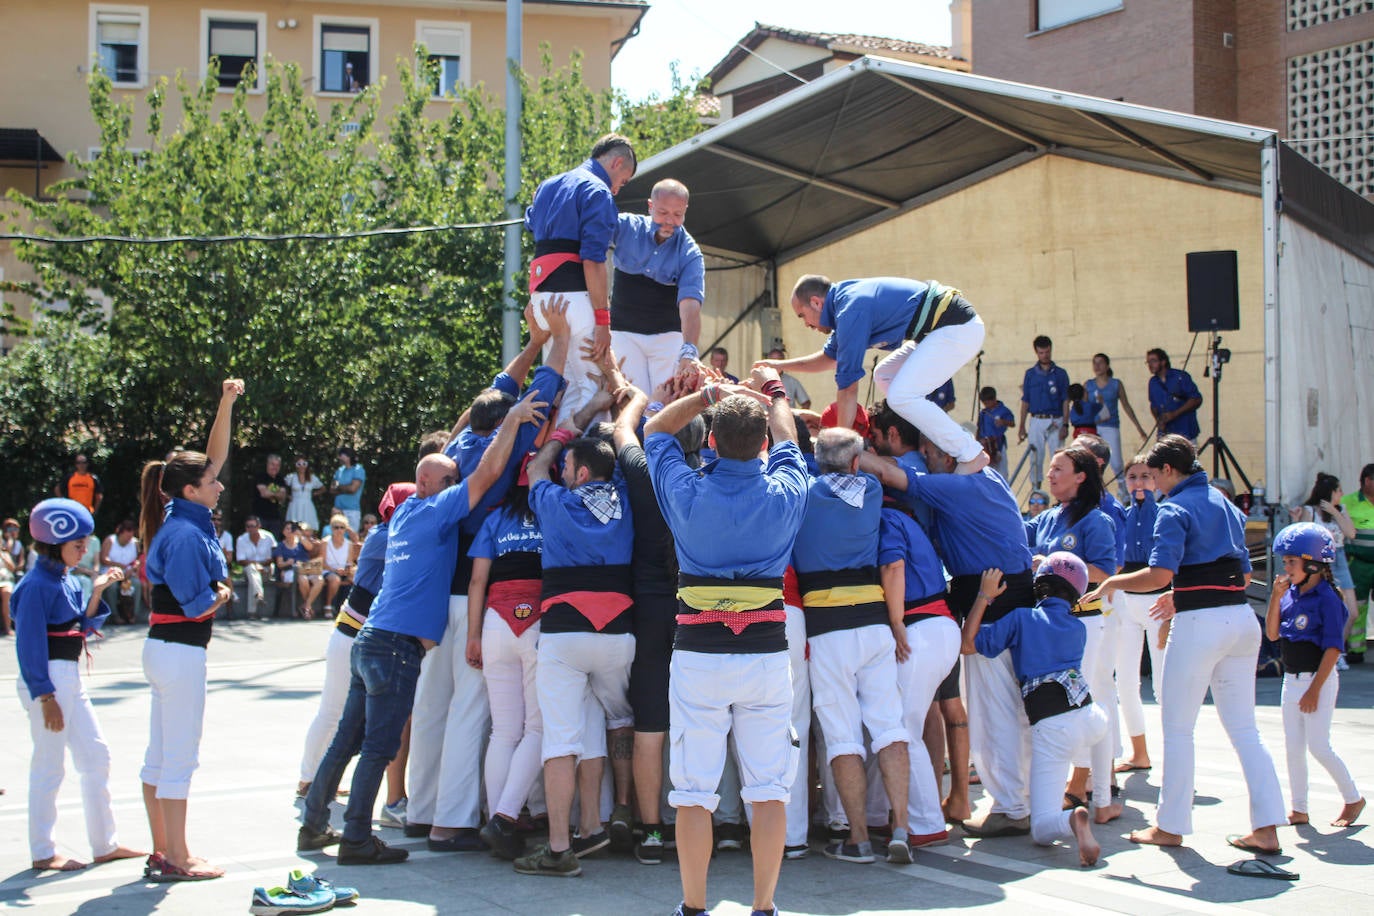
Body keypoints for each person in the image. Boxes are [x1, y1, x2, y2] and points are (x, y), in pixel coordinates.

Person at [296, 392, 546, 866]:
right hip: (395, 650)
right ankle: (356, 838)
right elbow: (486, 473)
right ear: (431, 484)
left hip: (371, 640)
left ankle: (313, 825)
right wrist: (512, 420)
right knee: (378, 747)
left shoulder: (405, 514)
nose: (459, 481)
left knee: (349, 738)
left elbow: (452, 452)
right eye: (451, 479)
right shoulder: (435, 512)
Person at [645, 366, 806, 916]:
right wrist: (773, 392)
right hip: (764, 653)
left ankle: (694, 908)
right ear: (761, 444)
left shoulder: (687, 491)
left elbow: (655, 433)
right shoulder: (787, 488)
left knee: (693, 793)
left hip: (699, 655)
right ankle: (764, 908)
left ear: (711, 441)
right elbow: (788, 437)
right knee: (768, 791)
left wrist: (710, 393)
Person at [409, 302, 569, 854]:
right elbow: (540, 391)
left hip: (437, 597)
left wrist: (533, 340)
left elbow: (502, 386)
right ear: (508, 419)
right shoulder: (505, 449)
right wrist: (559, 339)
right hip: (473, 598)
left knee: (434, 705)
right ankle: (451, 822)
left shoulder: (452, 449)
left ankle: (420, 807)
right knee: (473, 715)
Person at [1086, 435, 1284, 853]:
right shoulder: (1225, 503)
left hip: (1201, 624)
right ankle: (1267, 827)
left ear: (1169, 471)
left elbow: (1158, 575)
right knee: (1246, 730)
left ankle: (1170, 826)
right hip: (1240, 619)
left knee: (1177, 728)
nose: (1151, 484)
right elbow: (1242, 577)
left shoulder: (1173, 507)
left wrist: (1112, 582)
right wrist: (1183, 593)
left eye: (1154, 475)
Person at [859, 437, 1036, 838]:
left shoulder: (960, 483)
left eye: (929, 453)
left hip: (990, 602)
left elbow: (890, 474)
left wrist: (843, 452)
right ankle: (1017, 800)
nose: (923, 461)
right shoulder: (984, 480)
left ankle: (1011, 804)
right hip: (988, 600)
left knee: (993, 712)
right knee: (1001, 708)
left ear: (949, 456)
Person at [513, 430, 636, 878]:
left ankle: (560, 848)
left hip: (565, 634)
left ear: (580, 473)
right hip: (619, 631)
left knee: (561, 740)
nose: (561, 472)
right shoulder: (625, 497)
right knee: (616, 717)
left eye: (568, 466)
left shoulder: (554, 502)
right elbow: (623, 456)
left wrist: (559, 436)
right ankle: (606, 817)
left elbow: (534, 470)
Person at [137, 378, 243, 881]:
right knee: (177, 757)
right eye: (211, 481)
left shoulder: (182, 517)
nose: (219, 483)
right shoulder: (184, 532)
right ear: (189, 489)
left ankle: (163, 851)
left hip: (167, 651)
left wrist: (225, 403)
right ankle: (177, 856)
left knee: (159, 758)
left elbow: (214, 456)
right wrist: (222, 593)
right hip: (180, 652)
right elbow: (195, 604)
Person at [794, 427, 913, 865]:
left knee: (842, 734)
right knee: (889, 725)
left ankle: (858, 838)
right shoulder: (871, 490)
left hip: (826, 628)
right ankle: (900, 827)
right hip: (874, 621)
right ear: (857, 463)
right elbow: (863, 467)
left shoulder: (804, 493)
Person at [13, 498, 143, 872]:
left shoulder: (64, 579)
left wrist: (99, 590)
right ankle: (42, 850)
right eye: (77, 545)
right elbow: (30, 644)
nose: (85, 550)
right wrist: (45, 694)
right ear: (55, 543)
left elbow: (79, 627)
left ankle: (105, 844)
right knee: (49, 765)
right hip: (51, 679)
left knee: (96, 756)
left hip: (65, 676)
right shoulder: (36, 584)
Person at [961, 555, 1109, 867]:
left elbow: (969, 644)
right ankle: (1105, 803)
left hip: (1054, 727)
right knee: (1093, 730)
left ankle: (1073, 818)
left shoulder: (1022, 619)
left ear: (1037, 585)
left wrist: (984, 596)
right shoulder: (1078, 628)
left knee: (1041, 828)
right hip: (1090, 715)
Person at [762, 276, 988, 474]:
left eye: (802, 315)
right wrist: (776, 365)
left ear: (816, 302)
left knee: (901, 395)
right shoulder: (845, 305)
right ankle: (924, 439)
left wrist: (840, 451)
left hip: (956, 328)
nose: (805, 324)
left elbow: (848, 389)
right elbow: (830, 358)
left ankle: (970, 453)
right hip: (935, 332)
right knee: (884, 375)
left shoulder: (850, 309)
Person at [297, 483, 414, 802]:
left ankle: (323, 778)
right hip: (350, 634)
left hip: (361, 635)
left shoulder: (393, 533)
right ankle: (308, 777)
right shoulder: (383, 535)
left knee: (348, 717)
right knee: (332, 711)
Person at [1024, 446, 1122, 819]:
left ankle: (1082, 785)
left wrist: (1055, 565)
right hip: (1051, 618)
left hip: (1085, 619)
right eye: (1050, 468)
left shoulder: (1095, 521)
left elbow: (1105, 570)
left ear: (1081, 475)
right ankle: (1085, 789)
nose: (1050, 475)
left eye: (1058, 468)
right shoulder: (1047, 518)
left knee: (1085, 699)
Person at [525, 133, 637, 420]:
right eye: (622, 182)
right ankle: (577, 463)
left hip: (541, 299)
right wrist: (603, 320)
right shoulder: (597, 191)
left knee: (557, 388)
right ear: (617, 162)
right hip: (574, 300)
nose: (617, 190)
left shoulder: (548, 185)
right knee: (588, 389)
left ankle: (553, 461)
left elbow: (531, 222)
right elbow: (593, 259)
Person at [466, 467, 545, 862]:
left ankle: (497, 821)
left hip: (495, 619)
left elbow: (477, 580)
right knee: (538, 727)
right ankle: (505, 817)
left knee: (503, 731)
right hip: (539, 617)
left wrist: (473, 635)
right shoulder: (551, 508)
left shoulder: (495, 517)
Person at [1264, 523, 1364, 828]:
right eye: (1285, 562)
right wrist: (1275, 598)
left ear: (1313, 564)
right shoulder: (1290, 593)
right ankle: (1299, 808)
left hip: (1316, 680)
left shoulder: (1328, 598)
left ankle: (1353, 798)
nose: (1286, 568)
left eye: (1292, 562)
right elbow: (1271, 633)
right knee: (1293, 746)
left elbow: (1333, 649)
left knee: (1319, 745)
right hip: (1291, 680)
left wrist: (1314, 691)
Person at [880, 504, 960, 848]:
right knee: (901, 727)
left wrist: (896, 622)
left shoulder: (887, 517)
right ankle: (900, 816)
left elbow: (893, 566)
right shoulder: (906, 518)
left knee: (903, 730)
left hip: (920, 628)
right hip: (937, 627)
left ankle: (927, 823)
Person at [609, 178, 706, 394]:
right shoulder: (626, 226)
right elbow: (591, 229)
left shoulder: (690, 251)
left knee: (666, 399)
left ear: (685, 211)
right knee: (629, 397)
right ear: (650, 206)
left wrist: (689, 350)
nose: (669, 221)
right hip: (624, 332)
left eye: (677, 214)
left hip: (667, 336)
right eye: (663, 213)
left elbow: (690, 305)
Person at [1113, 456, 1165, 774]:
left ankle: (1174, 752)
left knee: (1163, 683)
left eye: (1146, 476)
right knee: (1126, 682)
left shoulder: (1165, 515)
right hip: (1125, 601)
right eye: (1133, 477)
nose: (1139, 483)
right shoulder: (1122, 514)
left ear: (1157, 480)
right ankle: (1139, 751)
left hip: (1159, 600)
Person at [1290, 473, 1357, 669]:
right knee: (1327, 607)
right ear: (1331, 492)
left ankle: (1338, 650)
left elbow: (1351, 533)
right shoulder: (1310, 511)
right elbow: (1300, 536)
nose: (1342, 494)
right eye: (1339, 490)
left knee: (1351, 611)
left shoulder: (1341, 509)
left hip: (1340, 557)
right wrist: (1295, 520)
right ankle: (1326, 651)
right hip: (1320, 561)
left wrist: (1335, 512)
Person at [1083, 354, 1147, 498]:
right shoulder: (1088, 385)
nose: (1097, 366)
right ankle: (1095, 492)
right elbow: (1084, 408)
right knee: (1092, 461)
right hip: (1093, 428)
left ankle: (1123, 490)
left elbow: (1126, 406)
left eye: (1100, 363)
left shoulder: (1115, 384)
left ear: (1107, 366)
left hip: (1111, 426)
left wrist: (1139, 428)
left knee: (1116, 461)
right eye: (1095, 363)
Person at [1017, 336, 1070, 490]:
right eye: (1041, 352)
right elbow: (1025, 401)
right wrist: (1021, 426)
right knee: (1035, 457)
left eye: (1047, 352)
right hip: (1036, 419)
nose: (1045, 355)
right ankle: (1036, 492)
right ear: (1036, 352)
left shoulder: (1060, 374)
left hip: (1056, 419)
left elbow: (1066, 400)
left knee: (1059, 458)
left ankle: (1060, 495)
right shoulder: (1030, 374)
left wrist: (1065, 424)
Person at [1340, 462, 1374, 664]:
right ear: (1367, 481)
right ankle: (1355, 649)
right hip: (1358, 563)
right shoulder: (1348, 502)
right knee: (1358, 606)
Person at [1145, 349, 1202, 442]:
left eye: (1153, 361)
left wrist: (1175, 414)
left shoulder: (1180, 376)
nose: (1150, 365)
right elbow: (1153, 405)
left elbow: (1196, 399)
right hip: (1166, 434)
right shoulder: (1152, 382)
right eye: (1148, 362)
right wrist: (1159, 421)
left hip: (1185, 430)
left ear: (1163, 362)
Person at [274, 522, 321, 619]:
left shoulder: (301, 542)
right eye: (287, 529)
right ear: (283, 532)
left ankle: (306, 605)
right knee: (303, 579)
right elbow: (279, 564)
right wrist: (288, 563)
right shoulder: (281, 546)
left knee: (320, 580)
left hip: (306, 567)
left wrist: (301, 536)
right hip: (292, 570)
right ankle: (308, 607)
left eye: (292, 529)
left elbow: (310, 547)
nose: (290, 531)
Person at [234, 516, 277, 620]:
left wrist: (261, 565)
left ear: (259, 526)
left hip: (266, 569)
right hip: (249, 570)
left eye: (253, 526)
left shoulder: (268, 537)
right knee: (252, 570)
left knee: (253, 577)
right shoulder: (241, 539)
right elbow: (240, 560)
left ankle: (252, 611)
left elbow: (274, 556)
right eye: (248, 526)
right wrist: (255, 565)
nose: (250, 529)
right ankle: (258, 595)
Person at [98, 520, 140, 624]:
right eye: (127, 534)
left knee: (137, 584)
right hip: (111, 571)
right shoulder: (110, 540)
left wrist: (133, 568)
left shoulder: (135, 542)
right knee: (112, 587)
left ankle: (134, 615)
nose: (129, 537)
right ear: (121, 532)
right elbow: (104, 559)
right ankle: (115, 615)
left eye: (131, 534)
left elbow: (138, 560)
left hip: (128, 573)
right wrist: (119, 565)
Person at [977, 387, 1015, 480]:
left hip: (998, 443)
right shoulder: (984, 413)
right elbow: (979, 427)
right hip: (985, 444)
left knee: (1002, 471)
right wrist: (977, 441)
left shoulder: (1004, 410)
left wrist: (1003, 422)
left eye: (988, 402)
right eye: (984, 403)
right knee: (987, 471)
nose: (986, 405)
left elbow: (1012, 423)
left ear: (994, 399)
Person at [320, 514, 355, 617]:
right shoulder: (325, 542)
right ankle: (328, 606)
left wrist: (346, 570)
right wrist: (335, 570)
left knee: (356, 577)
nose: (339, 530)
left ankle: (349, 608)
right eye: (336, 527)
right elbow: (322, 563)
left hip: (343, 571)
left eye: (342, 527)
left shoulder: (349, 544)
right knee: (335, 579)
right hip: (328, 570)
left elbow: (350, 562)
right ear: (331, 528)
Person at [253, 454, 289, 539]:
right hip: (260, 516)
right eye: (273, 464)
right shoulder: (261, 477)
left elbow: (283, 496)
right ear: (268, 464)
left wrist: (271, 493)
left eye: (277, 465)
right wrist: (277, 494)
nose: (275, 467)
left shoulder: (280, 479)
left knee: (274, 543)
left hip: (275, 517)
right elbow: (264, 494)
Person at [2, 517, 28, 635]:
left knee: (9, 591)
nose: (12, 531)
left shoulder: (19, 545)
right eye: (9, 528)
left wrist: (11, 542)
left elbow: (19, 565)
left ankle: (10, 627)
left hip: (10, 576)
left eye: (15, 528)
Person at [331, 448, 366, 532]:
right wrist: (346, 488)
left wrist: (339, 487)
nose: (339, 458)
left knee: (352, 538)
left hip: (352, 511)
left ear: (348, 456)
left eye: (341, 455)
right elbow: (332, 489)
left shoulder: (358, 469)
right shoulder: (339, 471)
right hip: (337, 511)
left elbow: (353, 489)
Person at [286, 458, 324, 533]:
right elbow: (282, 487)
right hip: (295, 505)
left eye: (304, 464)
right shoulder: (291, 477)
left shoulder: (312, 478)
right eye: (299, 464)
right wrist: (288, 496)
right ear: (296, 466)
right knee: (294, 527)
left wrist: (314, 494)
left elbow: (323, 488)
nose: (301, 466)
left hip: (307, 505)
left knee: (309, 527)